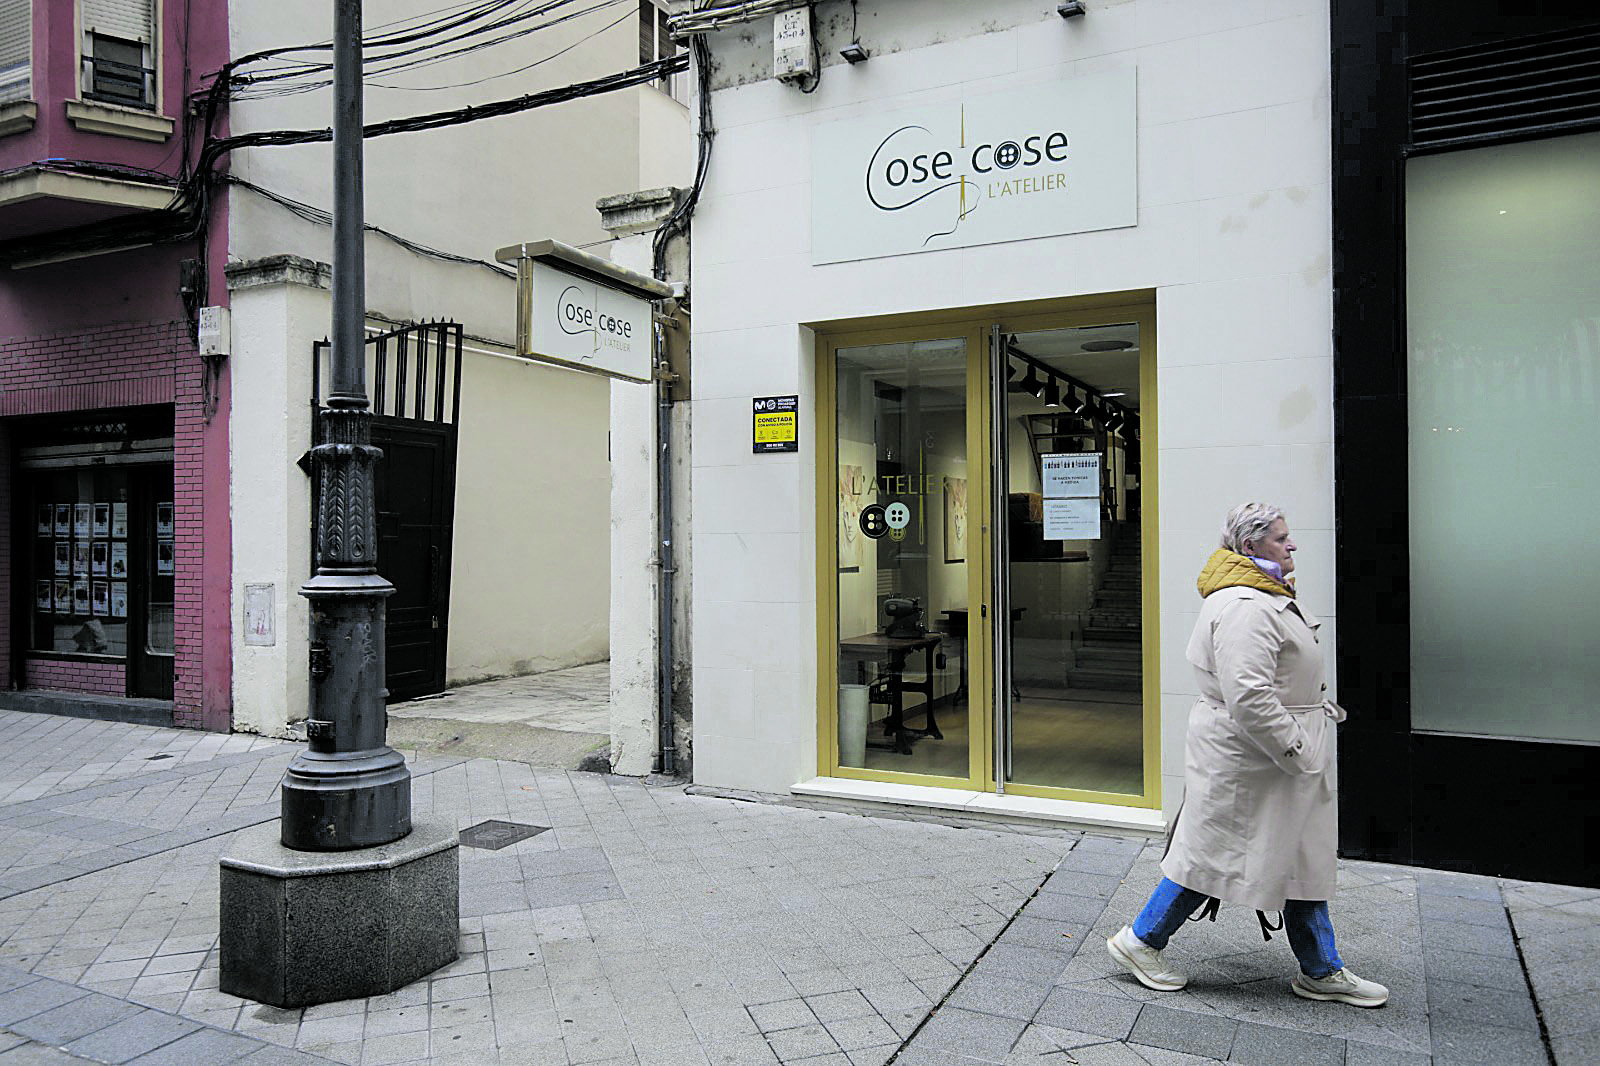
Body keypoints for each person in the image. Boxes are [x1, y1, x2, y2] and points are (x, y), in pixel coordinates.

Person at [1106, 503, 1389, 1008]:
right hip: (1256, 758)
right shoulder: (1245, 606)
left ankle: (1320, 969)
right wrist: (1298, 748)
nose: (1292, 544)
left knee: (1297, 854)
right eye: (1281, 538)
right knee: (1209, 857)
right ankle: (1141, 941)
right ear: (1251, 546)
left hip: (1266, 758)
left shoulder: (1260, 595)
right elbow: (1250, 696)